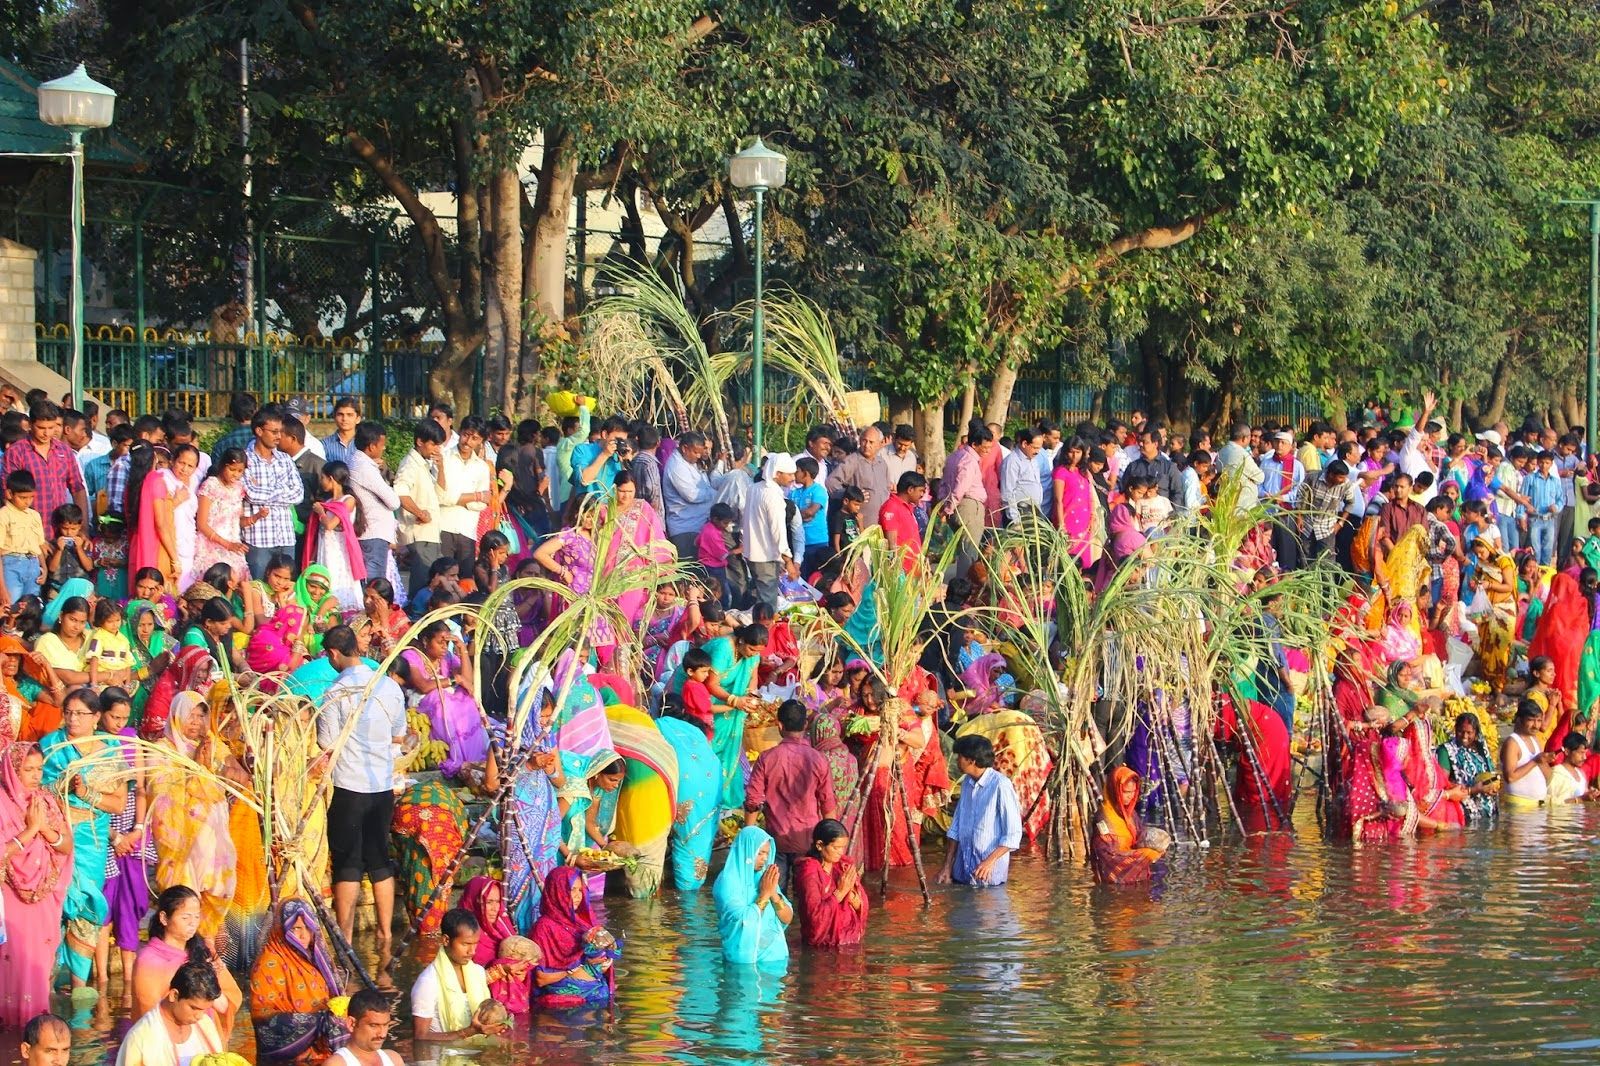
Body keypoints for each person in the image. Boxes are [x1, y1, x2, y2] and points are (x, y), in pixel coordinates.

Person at [317, 625, 407, 946]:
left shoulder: (335, 691)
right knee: (380, 859)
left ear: (333, 654)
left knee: (348, 863)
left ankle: (345, 937)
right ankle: (385, 935)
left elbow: (326, 743)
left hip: (349, 788)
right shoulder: (387, 685)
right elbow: (399, 734)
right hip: (381, 787)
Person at [39, 688, 117, 989]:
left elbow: (118, 803)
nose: (72, 719)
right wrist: (62, 791)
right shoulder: (50, 747)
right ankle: (46, 982)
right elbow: (36, 790)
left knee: (86, 908)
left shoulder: (110, 750)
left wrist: (86, 793)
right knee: (55, 905)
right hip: (57, 837)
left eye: (80, 714)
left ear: (96, 717)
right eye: (68, 712)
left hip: (92, 842)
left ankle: (80, 986)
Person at [149, 694, 241, 944]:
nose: (196, 721)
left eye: (201, 715)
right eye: (190, 714)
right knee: (185, 899)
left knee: (212, 896)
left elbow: (238, 778)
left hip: (211, 842)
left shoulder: (214, 746)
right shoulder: (162, 752)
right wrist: (195, 770)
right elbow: (162, 799)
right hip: (182, 847)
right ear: (176, 714)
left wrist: (218, 766)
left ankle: (208, 951)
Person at [0, 742, 70, 1028]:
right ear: (11, 770)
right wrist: (30, 832)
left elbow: (65, 845)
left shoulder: (45, 801)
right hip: (10, 898)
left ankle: (35, 1037)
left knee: (37, 965)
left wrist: (43, 828)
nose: (35, 775)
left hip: (41, 899)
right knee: (12, 964)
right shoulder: (2, 805)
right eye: (27, 769)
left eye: (39, 769)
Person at [744, 699, 837, 887]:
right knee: (807, 897)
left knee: (776, 896)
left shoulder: (767, 758)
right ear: (805, 725)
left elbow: (753, 801)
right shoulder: (818, 759)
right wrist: (830, 845)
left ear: (779, 725)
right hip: (808, 840)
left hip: (776, 840)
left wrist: (748, 837)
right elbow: (828, 805)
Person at [249, 898, 349, 1064]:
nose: (304, 935)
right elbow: (263, 1018)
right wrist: (318, 1022)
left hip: (325, 1055)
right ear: (282, 929)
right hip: (293, 1058)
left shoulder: (318, 958)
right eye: (296, 928)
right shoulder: (268, 965)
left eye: (308, 928)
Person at [410, 908, 508, 1043]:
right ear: (445, 940)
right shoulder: (428, 981)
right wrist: (469, 1032)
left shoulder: (477, 973)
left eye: (475, 944)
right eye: (466, 944)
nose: (472, 951)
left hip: (474, 1052)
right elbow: (420, 1037)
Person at [937, 734, 1022, 887]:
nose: (957, 761)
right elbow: (955, 828)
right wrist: (947, 866)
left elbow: (1013, 834)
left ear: (972, 760)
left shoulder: (1000, 785)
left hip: (988, 876)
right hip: (962, 871)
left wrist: (989, 862)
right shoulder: (967, 784)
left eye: (960, 757)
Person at [531, 866, 618, 1006]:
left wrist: (605, 960)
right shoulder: (544, 928)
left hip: (596, 993)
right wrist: (578, 966)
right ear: (557, 891)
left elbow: (593, 957)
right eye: (572, 890)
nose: (578, 895)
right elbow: (541, 979)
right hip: (566, 1002)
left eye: (580, 889)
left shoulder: (581, 923)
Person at [3, 401, 88, 542]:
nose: (46, 433)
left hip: (63, 533)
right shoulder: (16, 452)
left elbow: (77, 489)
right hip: (27, 536)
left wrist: (82, 528)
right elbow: (9, 496)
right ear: (30, 424)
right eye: (41, 427)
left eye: (51, 427)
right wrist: (32, 537)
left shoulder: (64, 451)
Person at [114, 960, 227, 1066]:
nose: (199, 1016)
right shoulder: (140, 1038)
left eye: (204, 1009)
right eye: (194, 1008)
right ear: (174, 995)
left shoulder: (205, 1024)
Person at [713, 825, 793, 968]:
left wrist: (773, 894)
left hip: (776, 961)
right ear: (747, 851)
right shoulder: (728, 881)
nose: (764, 859)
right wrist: (764, 894)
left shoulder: (765, 877)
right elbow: (741, 922)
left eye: (767, 854)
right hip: (744, 964)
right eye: (760, 853)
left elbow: (787, 917)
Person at [241, 409, 305, 579]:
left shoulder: (285, 459)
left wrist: (265, 490)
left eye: (280, 432)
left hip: (286, 538)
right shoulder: (245, 459)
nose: (279, 436)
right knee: (259, 590)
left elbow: (298, 495)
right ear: (259, 431)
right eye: (274, 432)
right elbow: (250, 494)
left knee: (286, 591)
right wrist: (282, 489)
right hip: (258, 540)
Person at [792, 818, 868, 948]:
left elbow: (862, 905)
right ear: (820, 845)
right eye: (836, 848)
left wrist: (851, 896)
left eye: (843, 848)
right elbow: (815, 918)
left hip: (850, 940)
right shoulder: (809, 872)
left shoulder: (843, 866)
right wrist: (840, 893)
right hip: (823, 947)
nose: (841, 852)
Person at [1090, 764, 1169, 883]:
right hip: (1113, 880)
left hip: (1135, 876)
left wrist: (1157, 843)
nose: (1130, 796)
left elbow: (1139, 837)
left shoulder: (1131, 814)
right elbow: (1107, 856)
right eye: (1126, 792)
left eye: (1133, 792)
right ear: (1115, 790)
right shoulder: (1103, 818)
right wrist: (1145, 855)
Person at [395, 417, 446, 595]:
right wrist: (419, 513)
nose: (436, 449)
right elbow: (400, 493)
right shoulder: (410, 465)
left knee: (432, 582)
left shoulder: (425, 465)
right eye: (433, 444)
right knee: (422, 584)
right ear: (420, 442)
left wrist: (441, 468)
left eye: (438, 445)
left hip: (431, 534)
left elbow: (441, 493)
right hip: (419, 534)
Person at [743, 453, 797, 610]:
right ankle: (765, 633)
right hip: (764, 555)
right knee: (768, 602)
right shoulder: (772, 496)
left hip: (753, 552)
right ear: (777, 474)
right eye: (789, 474)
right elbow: (778, 531)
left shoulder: (754, 489)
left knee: (761, 598)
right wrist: (788, 561)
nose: (792, 478)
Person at [347, 421, 401, 581]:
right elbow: (393, 502)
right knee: (373, 582)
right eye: (382, 444)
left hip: (372, 532)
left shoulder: (362, 463)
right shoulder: (363, 466)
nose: (383, 448)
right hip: (372, 532)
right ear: (371, 446)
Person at [0, 469, 47, 609]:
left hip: (33, 565)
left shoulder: (34, 515)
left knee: (31, 608)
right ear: (9, 494)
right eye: (22, 497)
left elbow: (38, 546)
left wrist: (44, 569)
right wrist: (2, 588)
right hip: (11, 565)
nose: (27, 502)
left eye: (31, 497)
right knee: (11, 607)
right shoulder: (3, 515)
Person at [330, 988, 405, 1066]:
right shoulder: (337, 1064)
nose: (382, 1034)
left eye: (386, 1025)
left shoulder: (394, 1060)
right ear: (351, 1024)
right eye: (374, 1025)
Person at [1501, 699, 1553, 812]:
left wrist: (1545, 761)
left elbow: (1548, 777)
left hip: (1538, 807)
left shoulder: (1535, 740)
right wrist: (1535, 761)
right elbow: (1510, 777)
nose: (1536, 726)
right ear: (1519, 720)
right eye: (1531, 720)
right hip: (1519, 808)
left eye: (1539, 721)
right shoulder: (1512, 743)